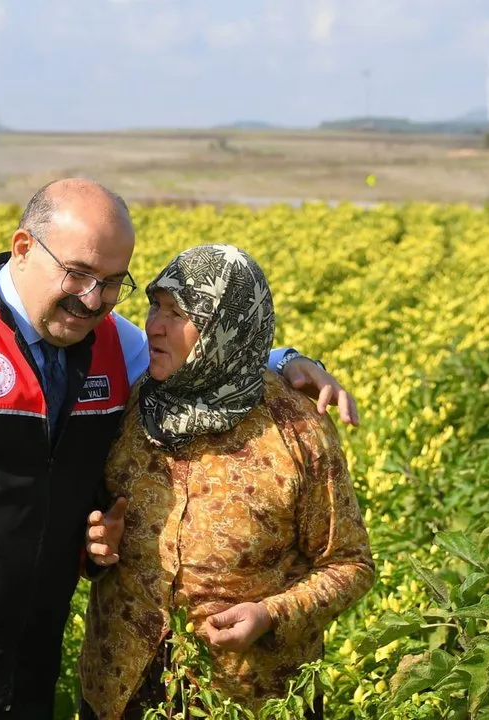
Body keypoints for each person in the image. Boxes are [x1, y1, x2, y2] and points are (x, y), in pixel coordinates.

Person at [0, 178, 359, 720]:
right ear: (23, 248)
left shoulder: (112, 343)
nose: (94, 300)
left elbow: (208, 353)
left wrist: (286, 361)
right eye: (78, 273)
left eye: (113, 282)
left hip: (24, 671)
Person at [78, 244, 376, 719]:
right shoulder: (134, 403)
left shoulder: (296, 430)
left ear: (224, 329)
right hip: (120, 689)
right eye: (155, 305)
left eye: (178, 313)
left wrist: (271, 616)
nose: (154, 324)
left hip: (247, 697)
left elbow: (350, 565)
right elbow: (92, 520)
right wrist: (94, 547)